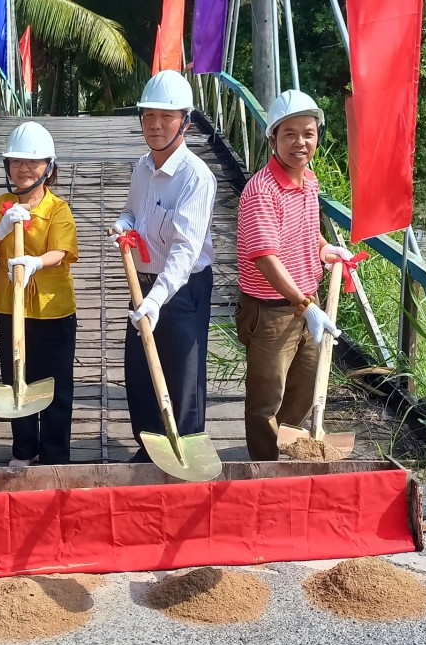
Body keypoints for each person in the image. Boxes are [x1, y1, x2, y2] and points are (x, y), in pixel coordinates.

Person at [109, 70, 216, 463]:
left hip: (184, 288)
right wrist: (123, 225)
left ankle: (185, 455)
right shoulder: (142, 167)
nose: (155, 124)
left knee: (183, 375)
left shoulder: (196, 177)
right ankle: (150, 451)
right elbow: (132, 212)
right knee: (140, 372)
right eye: (149, 115)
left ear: (185, 122)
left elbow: (185, 251)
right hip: (142, 282)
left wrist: (156, 299)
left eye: (166, 116)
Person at [235, 89, 345, 461]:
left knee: (307, 388)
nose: (300, 142)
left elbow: (305, 232)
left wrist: (325, 249)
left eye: (308, 133)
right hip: (271, 311)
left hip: (306, 303)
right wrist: (305, 304)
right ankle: (265, 468)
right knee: (267, 399)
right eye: (290, 134)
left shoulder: (308, 180)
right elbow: (265, 258)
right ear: (273, 139)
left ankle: (286, 450)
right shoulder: (262, 191)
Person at [0, 121, 78, 467]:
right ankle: (24, 449)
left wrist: (36, 262)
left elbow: (62, 250)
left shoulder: (57, 208)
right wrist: (1, 229)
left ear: (49, 166)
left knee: (55, 382)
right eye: (16, 161)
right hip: (10, 304)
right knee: (16, 376)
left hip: (52, 307)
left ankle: (56, 454)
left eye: (33, 161)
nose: (24, 168)